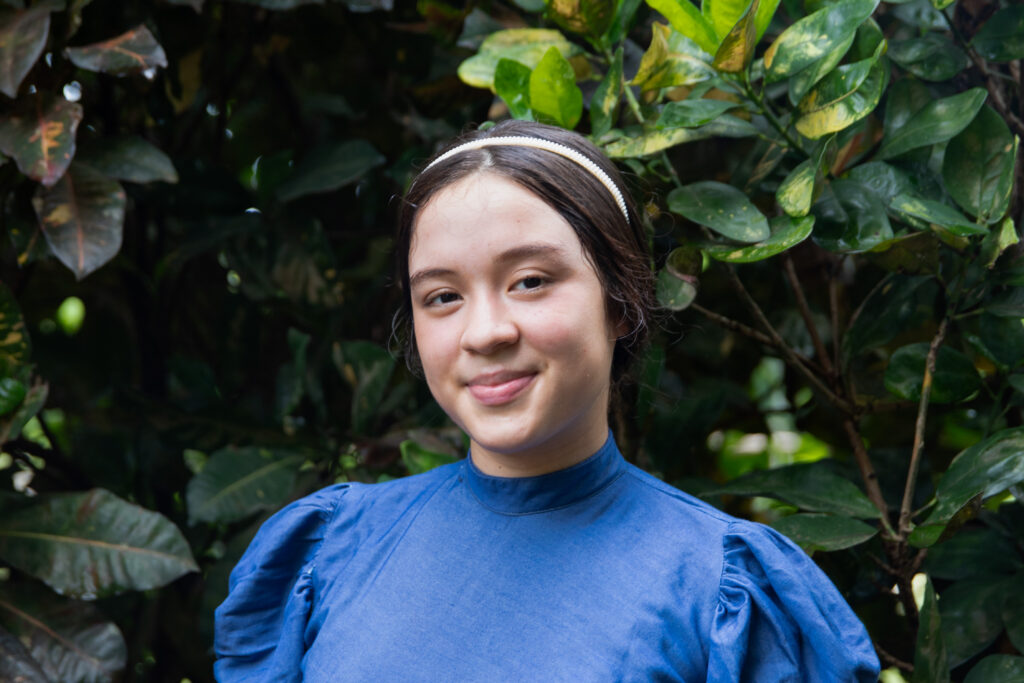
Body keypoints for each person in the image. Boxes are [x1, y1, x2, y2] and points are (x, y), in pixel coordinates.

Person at [214, 120, 881, 681]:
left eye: (531, 281)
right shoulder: (330, 550)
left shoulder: (721, 589)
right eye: (442, 296)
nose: (485, 332)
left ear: (622, 301)